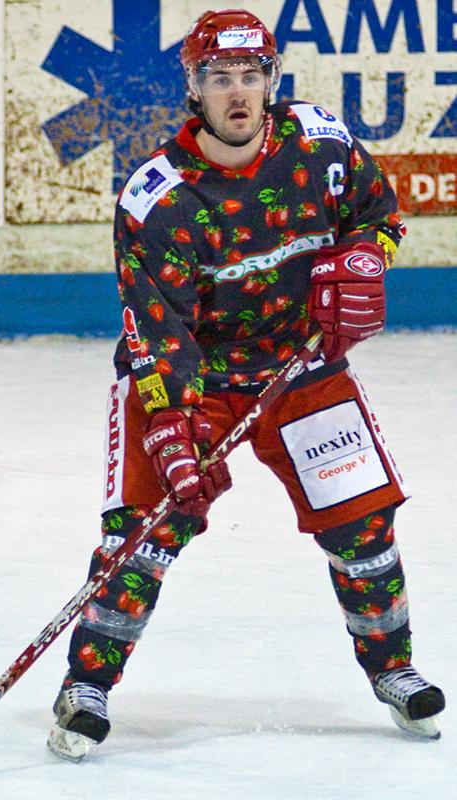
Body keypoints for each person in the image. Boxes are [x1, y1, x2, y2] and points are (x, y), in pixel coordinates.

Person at [47, 8, 445, 761]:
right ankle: (85, 686)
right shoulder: (156, 197)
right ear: (193, 88)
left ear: (271, 82)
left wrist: (366, 258)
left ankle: (393, 669)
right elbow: (154, 329)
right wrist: (170, 428)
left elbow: (378, 213)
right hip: (188, 374)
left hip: (302, 366)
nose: (238, 92)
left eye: (250, 76)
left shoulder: (319, 142)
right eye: (219, 78)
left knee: (361, 528)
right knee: (142, 535)